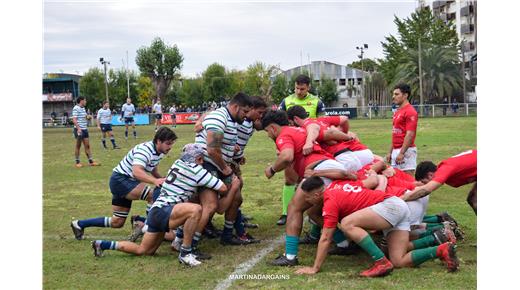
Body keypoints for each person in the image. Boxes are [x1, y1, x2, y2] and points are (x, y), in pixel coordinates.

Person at [92, 144, 228, 266]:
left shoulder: (177, 163)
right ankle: (186, 252)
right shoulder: (197, 170)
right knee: (195, 209)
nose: (203, 162)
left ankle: (102, 244)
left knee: (144, 250)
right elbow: (222, 188)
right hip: (165, 210)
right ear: (197, 159)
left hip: (157, 211)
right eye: (201, 159)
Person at [294, 176, 459, 277]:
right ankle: (441, 249)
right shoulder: (337, 185)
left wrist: (315, 268)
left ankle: (380, 262)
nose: (307, 202)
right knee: (398, 260)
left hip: (389, 206)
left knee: (346, 224)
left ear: (316, 194)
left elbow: (325, 238)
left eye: (307, 198)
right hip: (396, 205)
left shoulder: (330, 202)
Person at [260, 110, 352, 266]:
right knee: (313, 212)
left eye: (267, 131)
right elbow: (327, 134)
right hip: (332, 166)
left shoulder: (283, 134)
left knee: (294, 208)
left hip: (320, 171)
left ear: (273, 127)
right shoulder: (299, 130)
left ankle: (290, 256)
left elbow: (286, 156)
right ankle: (345, 244)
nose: (269, 135)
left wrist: (271, 170)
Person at [70, 127, 177, 240]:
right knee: (152, 195)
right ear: (158, 141)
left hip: (125, 181)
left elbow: (153, 169)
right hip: (121, 180)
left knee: (117, 222)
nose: (170, 147)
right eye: (168, 143)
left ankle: (79, 224)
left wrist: (163, 180)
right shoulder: (145, 150)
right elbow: (136, 171)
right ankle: (149, 226)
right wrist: (155, 181)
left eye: (171, 144)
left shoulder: (159, 151)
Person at [193, 92, 253, 248]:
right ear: (235, 107)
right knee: (210, 206)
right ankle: (189, 245)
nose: (246, 116)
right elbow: (212, 150)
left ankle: (227, 235)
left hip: (217, 164)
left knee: (236, 197)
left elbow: (227, 145)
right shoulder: (219, 117)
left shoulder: (231, 120)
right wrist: (226, 169)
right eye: (245, 112)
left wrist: (237, 155)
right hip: (207, 164)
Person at [277, 74, 326, 225]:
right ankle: (286, 212)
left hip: (311, 146)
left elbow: (322, 122)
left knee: (310, 179)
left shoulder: (316, 102)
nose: (299, 91)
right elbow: (280, 123)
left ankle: (314, 210)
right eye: (297, 88)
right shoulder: (286, 101)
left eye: (302, 89)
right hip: (292, 144)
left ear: (308, 87)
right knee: (289, 178)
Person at [402, 149, 477, 214]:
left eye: (425, 183)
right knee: (473, 199)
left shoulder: (444, 170)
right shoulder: (445, 167)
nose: (425, 185)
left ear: (430, 175)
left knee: (475, 200)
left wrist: (401, 199)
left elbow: (425, 190)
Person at [385, 83, 418, 176]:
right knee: (397, 181)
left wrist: (402, 153)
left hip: (406, 151)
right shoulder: (398, 111)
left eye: (396, 94)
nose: (393, 97)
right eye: (393, 94)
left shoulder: (410, 111)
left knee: (408, 181)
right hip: (396, 150)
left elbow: (410, 134)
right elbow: (395, 133)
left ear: (405, 95)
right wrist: (390, 152)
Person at [72, 97, 100, 168]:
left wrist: (88, 117)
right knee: (78, 146)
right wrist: (78, 128)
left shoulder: (83, 108)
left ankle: (91, 162)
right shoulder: (76, 108)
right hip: (79, 129)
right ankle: (77, 162)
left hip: (85, 129)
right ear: (81, 101)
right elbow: (74, 120)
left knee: (87, 146)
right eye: (85, 100)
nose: (86, 101)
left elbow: (84, 117)